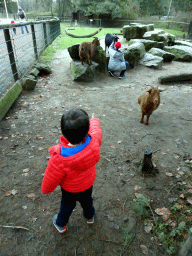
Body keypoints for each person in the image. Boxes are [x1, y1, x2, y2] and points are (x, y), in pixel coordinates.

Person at [41, 109, 102, 233]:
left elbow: (51, 176)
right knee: (87, 201)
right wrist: (94, 120)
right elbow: (96, 131)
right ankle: (90, 217)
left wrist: (45, 189)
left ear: (63, 133)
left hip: (70, 190)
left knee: (67, 206)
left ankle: (60, 224)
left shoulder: (60, 157)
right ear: (87, 131)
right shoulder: (93, 142)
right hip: (87, 184)